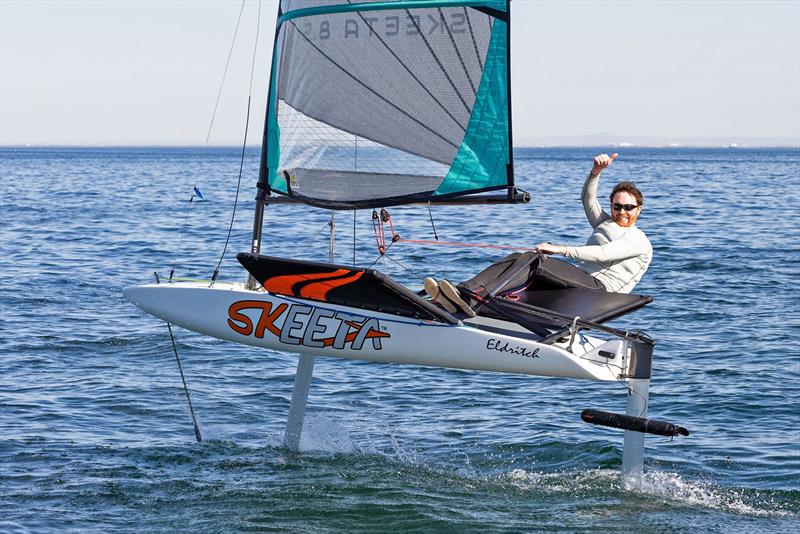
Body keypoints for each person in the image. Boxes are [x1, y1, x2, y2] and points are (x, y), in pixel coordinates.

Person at [535, 153, 652, 293]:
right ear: (611, 206)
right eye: (617, 207)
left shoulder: (638, 239)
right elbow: (588, 200)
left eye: (628, 208)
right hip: (582, 278)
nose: (622, 212)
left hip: (601, 289)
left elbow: (604, 254)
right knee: (530, 262)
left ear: (639, 209)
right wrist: (596, 172)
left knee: (541, 268)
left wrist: (561, 249)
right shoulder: (605, 223)